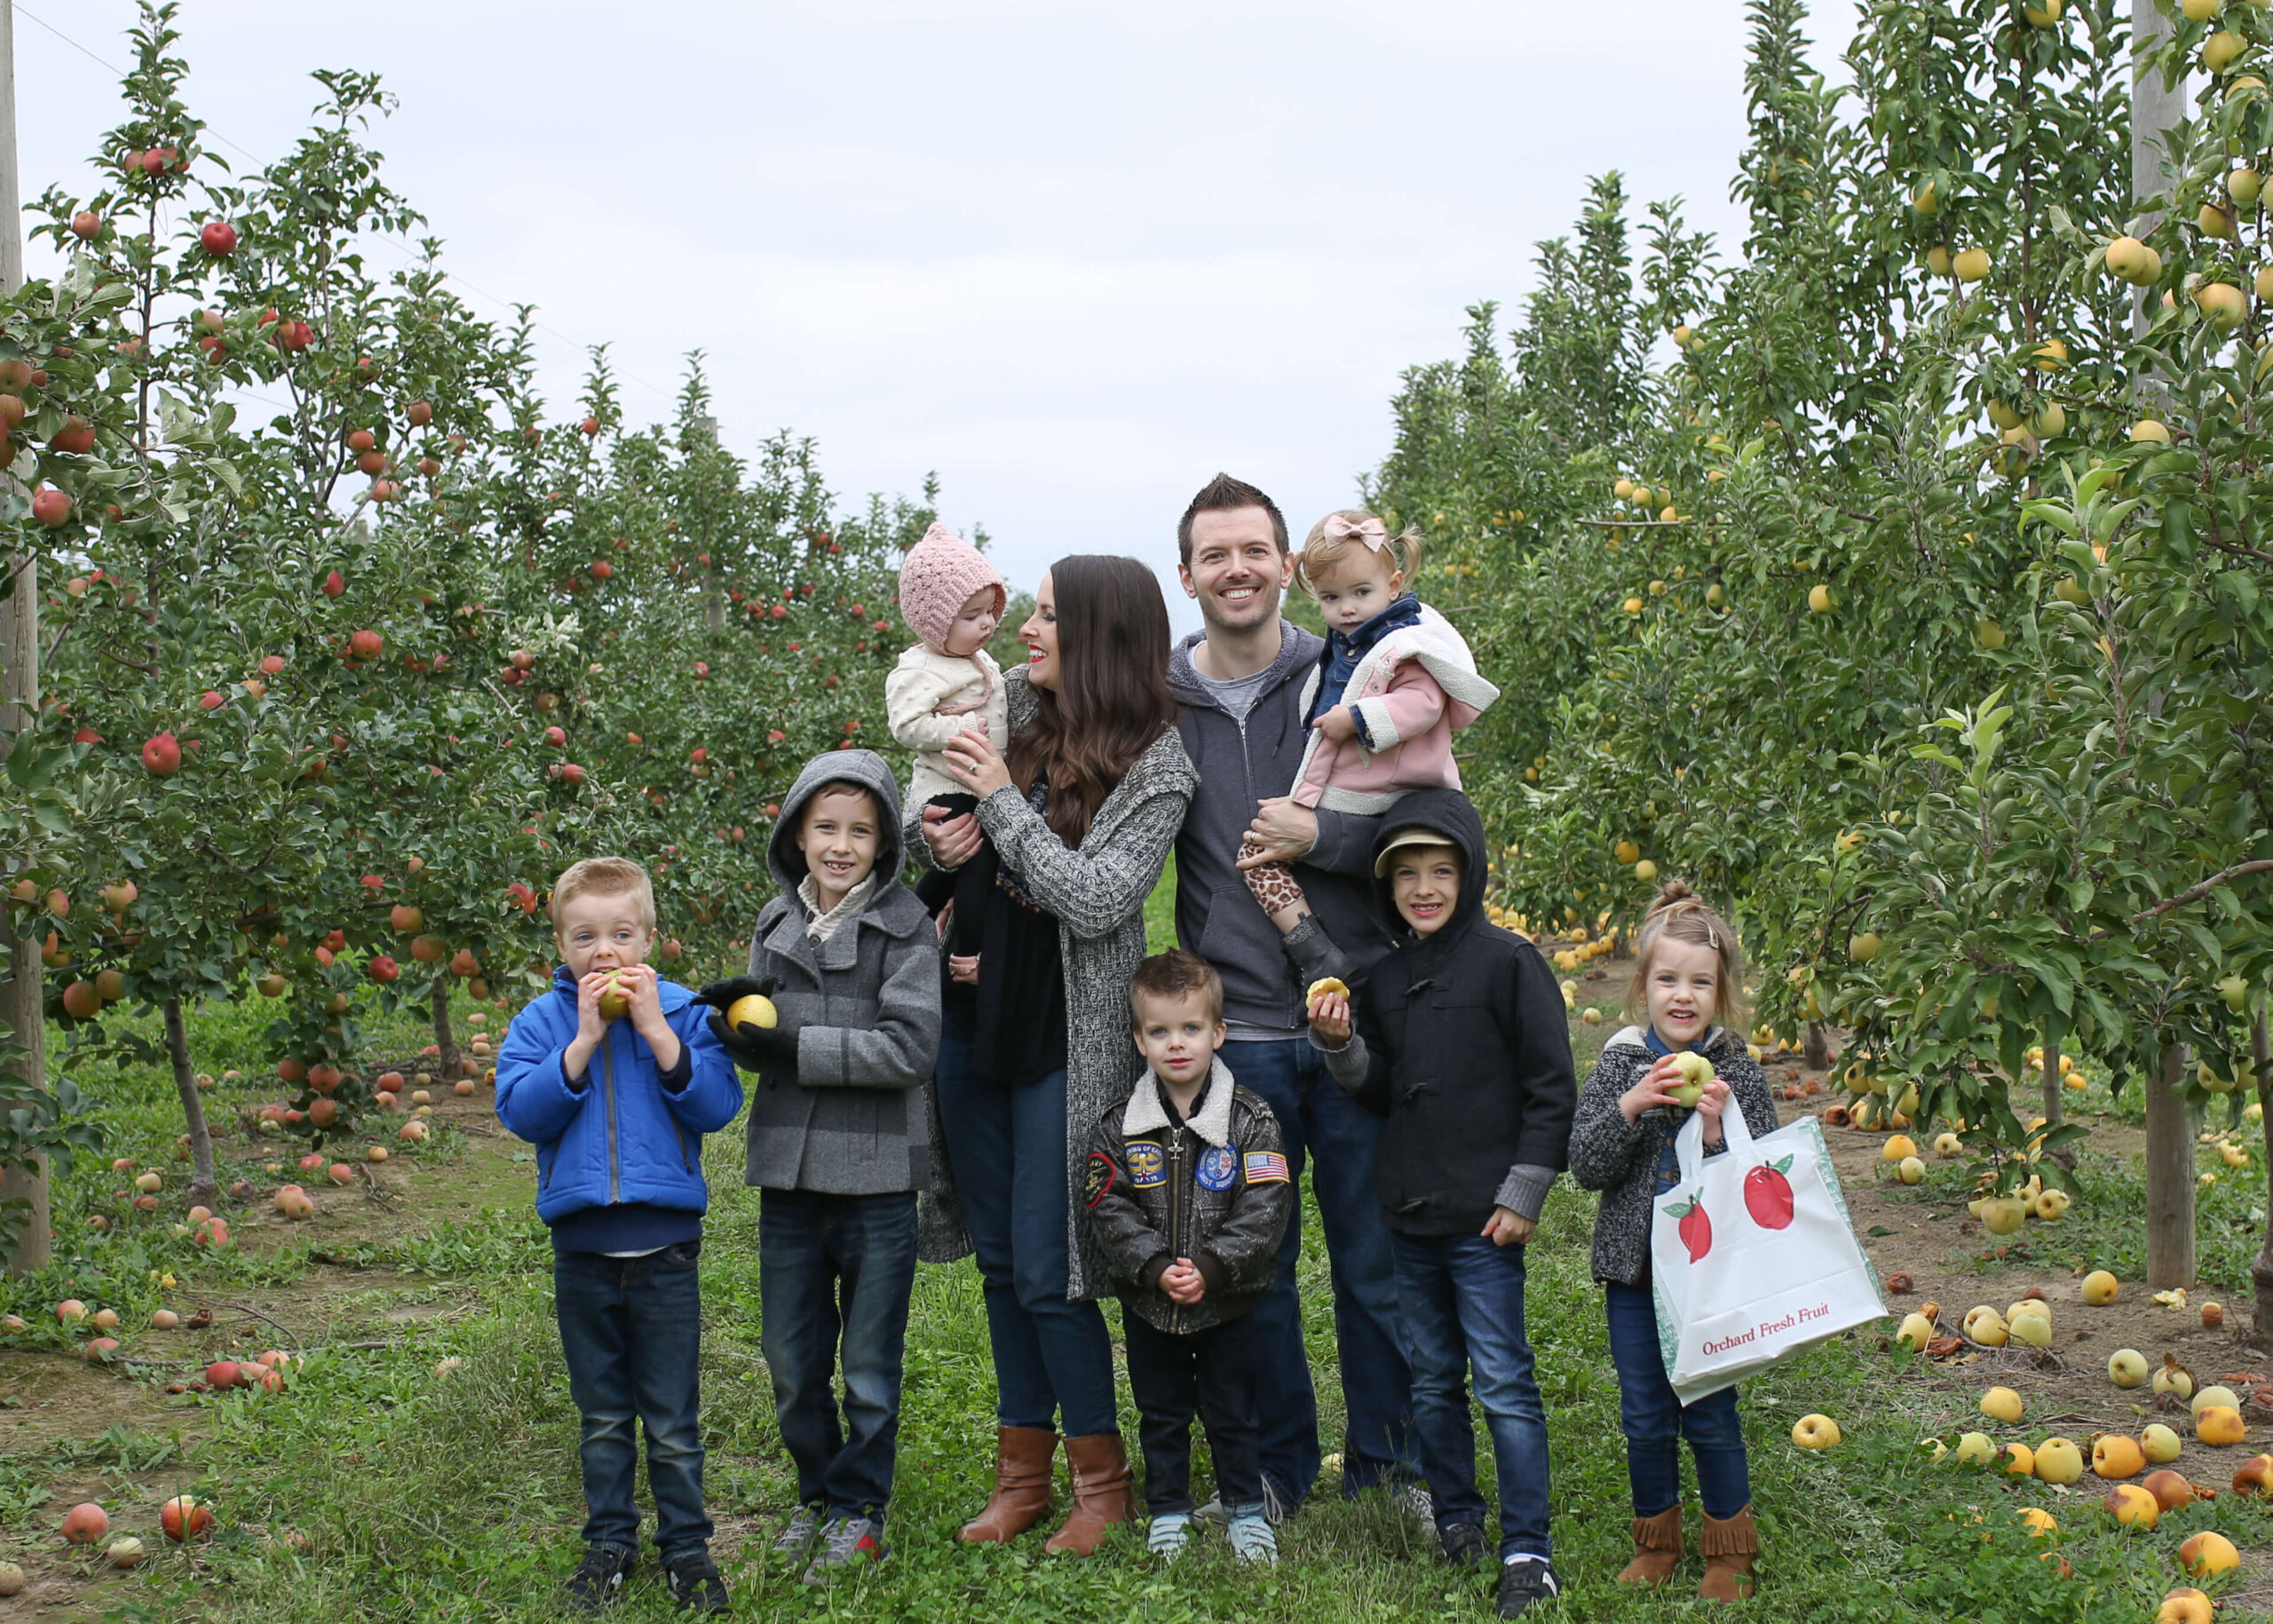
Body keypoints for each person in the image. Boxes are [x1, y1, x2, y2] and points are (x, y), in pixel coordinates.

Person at [916, 554, 1198, 1556]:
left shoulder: (1157, 760)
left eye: (1043, 617)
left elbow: (1096, 899)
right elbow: (958, 843)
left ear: (1098, 634)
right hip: (975, 1025)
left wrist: (994, 804)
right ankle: (1022, 1476)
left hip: (1063, 1038)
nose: (1024, 632)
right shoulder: (1015, 730)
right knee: (1000, 1262)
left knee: (1053, 1267)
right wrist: (942, 840)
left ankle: (1101, 1480)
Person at [1165, 471, 1420, 1520]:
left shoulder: (1352, 673)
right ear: (1188, 575)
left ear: (1287, 566)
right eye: (1215, 554)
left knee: (1373, 1259)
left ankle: (1390, 1467)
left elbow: (1436, 831)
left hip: (1347, 1013)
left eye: (1254, 550)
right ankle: (1273, 1469)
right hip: (1237, 1036)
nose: (1237, 569)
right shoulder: (1158, 705)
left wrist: (1327, 837)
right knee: (1252, 1267)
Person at [1306, 791, 1575, 1620]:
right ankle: (1458, 1514)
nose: (1424, 888)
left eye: (1442, 871)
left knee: (1502, 1380)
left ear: (1471, 872)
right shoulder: (1385, 976)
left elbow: (1550, 1086)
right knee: (1431, 1382)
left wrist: (1524, 1190)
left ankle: (1527, 1545)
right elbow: (1383, 1086)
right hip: (1412, 1216)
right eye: (1408, 874)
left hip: (1485, 1216)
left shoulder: (1509, 961)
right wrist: (1343, 1045)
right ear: (1388, 886)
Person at [693, 750, 943, 1585]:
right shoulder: (776, 921)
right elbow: (766, 1036)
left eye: (861, 831)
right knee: (793, 1360)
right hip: (791, 1176)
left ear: (884, 842)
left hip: (875, 1179)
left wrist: (790, 1043)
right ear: (798, 833)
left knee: (869, 1364)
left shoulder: (905, 926)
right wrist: (737, 1021)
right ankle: (817, 1493)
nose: (841, 845)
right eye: (826, 827)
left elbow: (909, 1049)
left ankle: (860, 1506)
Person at [494, 857, 744, 1616]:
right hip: (583, 1251)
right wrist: (581, 1039)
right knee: (602, 1413)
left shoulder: (681, 1009)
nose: (604, 951)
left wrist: (654, 1030)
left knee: (671, 1415)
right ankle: (609, 1541)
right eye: (585, 936)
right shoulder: (541, 1021)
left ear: (650, 939)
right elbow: (522, 1112)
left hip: (665, 1249)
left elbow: (715, 1103)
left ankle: (688, 1548)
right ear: (561, 944)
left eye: (621, 934)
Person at [1566, 881, 1776, 1602]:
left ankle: (1729, 1546)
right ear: (1642, 989)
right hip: (1634, 1276)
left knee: (1710, 1410)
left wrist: (1718, 1131)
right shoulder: (1622, 1066)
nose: (1682, 996)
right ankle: (1657, 1540)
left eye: (1700, 982)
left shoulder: (1739, 1073)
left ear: (1722, 993)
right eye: (1667, 980)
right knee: (1644, 1413)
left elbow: (1764, 1184)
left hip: (1708, 1279)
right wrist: (1630, 1107)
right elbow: (1586, 1165)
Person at [1081, 951, 1295, 1565]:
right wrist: (1153, 1267)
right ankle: (1169, 1509)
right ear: (1139, 1039)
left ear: (1218, 1033)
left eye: (1191, 1028)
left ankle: (1245, 1510)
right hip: (1153, 1304)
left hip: (1230, 1300)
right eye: (1160, 1031)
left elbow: (1267, 1204)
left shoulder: (1251, 1120)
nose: (1177, 1044)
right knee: (1162, 1411)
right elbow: (1107, 1205)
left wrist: (1213, 1265)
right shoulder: (1120, 1125)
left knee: (1233, 1409)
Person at [1239, 508, 1498, 988]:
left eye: (1362, 593)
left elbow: (1423, 704)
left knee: (1269, 850)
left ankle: (1331, 957)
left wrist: (1356, 721)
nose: (1348, 609)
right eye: (1332, 598)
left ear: (1395, 584)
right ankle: (1316, 950)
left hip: (1381, 786)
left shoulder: (1405, 643)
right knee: (1261, 850)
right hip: (1357, 783)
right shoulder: (1346, 643)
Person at [885, 520, 1009, 963]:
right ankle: (968, 953)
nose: (987, 623)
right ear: (935, 623)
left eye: (989, 611)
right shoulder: (920, 669)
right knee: (977, 864)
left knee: (947, 877)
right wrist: (961, 730)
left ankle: (901, 940)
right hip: (947, 789)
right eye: (971, 616)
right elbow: (906, 725)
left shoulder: (977, 658)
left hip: (977, 784)